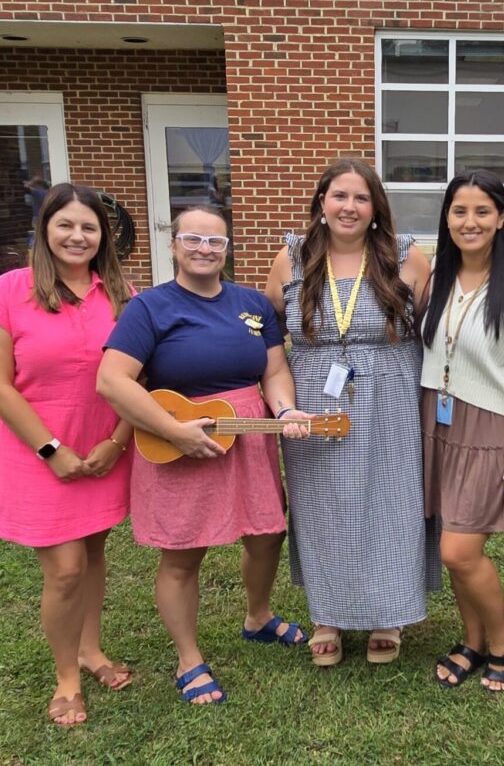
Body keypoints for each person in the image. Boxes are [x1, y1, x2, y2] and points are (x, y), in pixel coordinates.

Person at [97, 205, 310, 705]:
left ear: (227, 249)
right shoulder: (149, 308)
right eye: (193, 239)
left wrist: (284, 411)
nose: (204, 250)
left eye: (215, 242)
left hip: (247, 436)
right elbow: (112, 380)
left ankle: (257, 617)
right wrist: (175, 430)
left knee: (267, 535)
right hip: (179, 442)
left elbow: (274, 371)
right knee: (183, 553)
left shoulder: (254, 304)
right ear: (174, 245)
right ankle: (188, 658)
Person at [0, 183, 135, 727]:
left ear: (103, 237)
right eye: (65, 224)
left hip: (104, 445)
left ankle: (91, 648)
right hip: (38, 449)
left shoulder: (117, 293)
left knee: (92, 552)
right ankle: (67, 675)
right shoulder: (10, 291)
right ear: (44, 229)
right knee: (64, 568)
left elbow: (138, 376)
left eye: (89, 227)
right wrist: (51, 449)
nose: (77, 236)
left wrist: (116, 443)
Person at [265, 158, 436, 667]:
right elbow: (271, 333)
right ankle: (328, 616)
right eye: (340, 196)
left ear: (376, 208)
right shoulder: (292, 259)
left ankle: (389, 613)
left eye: (361, 198)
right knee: (324, 506)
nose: (349, 207)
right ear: (322, 202)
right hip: (315, 400)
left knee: (390, 503)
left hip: (391, 399)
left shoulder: (406, 258)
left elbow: (434, 329)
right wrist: (284, 405)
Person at [422, 170, 504, 693]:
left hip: (489, 428)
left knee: (459, 550)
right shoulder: (438, 277)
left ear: (501, 218)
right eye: (459, 211)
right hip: (438, 420)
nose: (469, 221)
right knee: (450, 536)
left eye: (481, 211)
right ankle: (471, 639)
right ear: (446, 217)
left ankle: (502, 637)